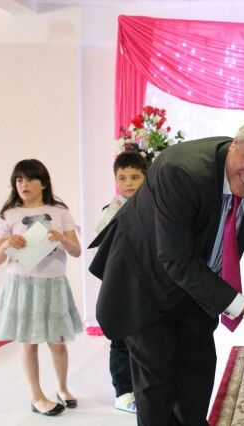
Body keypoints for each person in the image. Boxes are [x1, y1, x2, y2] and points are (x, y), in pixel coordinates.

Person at [88, 112, 244, 425]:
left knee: (196, 382)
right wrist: (243, 306)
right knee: (157, 389)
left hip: (199, 288)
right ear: (235, 143)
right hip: (145, 283)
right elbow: (175, 259)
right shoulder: (181, 172)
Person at [0, 159, 83, 416]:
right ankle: (37, 396)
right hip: (22, 286)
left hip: (53, 285)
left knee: (58, 343)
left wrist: (61, 238)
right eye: (19, 179)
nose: (24, 184)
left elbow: (76, 251)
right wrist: (7, 243)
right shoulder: (9, 215)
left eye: (30, 179)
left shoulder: (60, 212)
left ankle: (62, 388)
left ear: (43, 183)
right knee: (29, 343)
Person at [96, 151, 148, 414]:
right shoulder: (110, 211)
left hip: (145, 285)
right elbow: (102, 251)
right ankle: (123, 391)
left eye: (135, 177)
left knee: (144, 339)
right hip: (118, 286)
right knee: (120, 340)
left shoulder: (155, 207)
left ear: (146, 177)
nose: (128, 183)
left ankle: (143, 388)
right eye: (122, 177)